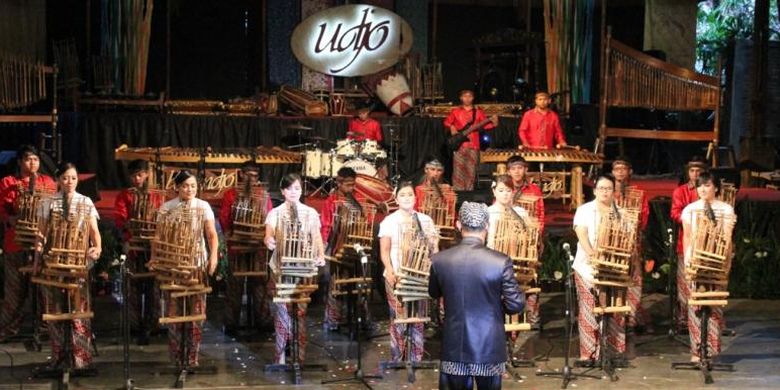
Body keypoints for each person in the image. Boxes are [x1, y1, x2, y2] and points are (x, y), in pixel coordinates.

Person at [429, 201, 524, 390]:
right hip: (488, 346)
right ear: (487, 226)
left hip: (454, 345)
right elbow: (516, 305)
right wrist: (496, 306)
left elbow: (433, 292)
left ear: (458, 225)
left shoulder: (440, 260)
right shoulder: (500, 261)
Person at [34, 162, 101, 369]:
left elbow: (94, 231)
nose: (69, 182)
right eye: (64, 178)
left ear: (77, 179)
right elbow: (41, 234)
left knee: (78, 309)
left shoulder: (85, 201)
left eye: (73, 177)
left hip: (77, 263)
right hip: (53, 263)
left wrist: (97, 248)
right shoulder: (48, 203)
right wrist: (37, 258)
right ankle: (58, 357)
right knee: (55, 311)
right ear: (58, 180)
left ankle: (81, 358)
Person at [158, 170, 219, 367]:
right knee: (175, 312)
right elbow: (158, 238)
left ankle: (193, 358)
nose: (189, 189)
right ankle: (176, 358)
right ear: (177, 187)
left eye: (193, 186)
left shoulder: (203, 206)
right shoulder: (167, 208)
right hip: (173, 266)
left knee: (196, 312)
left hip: (197, 265)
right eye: (185, 186)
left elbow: (211, 235)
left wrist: (213, 256)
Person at [264, 173, 326, 365]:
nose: (293, 192)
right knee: (282, 310)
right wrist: (269, 240)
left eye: (297, 188)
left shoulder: (309, 212)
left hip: (302, 268)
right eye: (289, 188)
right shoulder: (275, 213)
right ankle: (280, 357)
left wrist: (320, 254)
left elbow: (316, 236)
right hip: (281, 268)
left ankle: (299, 357)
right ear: (283, 191)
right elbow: (269, 233)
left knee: (299, 311)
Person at [0, 145, 56, 340]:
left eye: (35, 159)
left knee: (44, 287)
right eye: (27, 159)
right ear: (19, 162)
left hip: (41, 242)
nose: (32, 163)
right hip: (16, 242)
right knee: (14, 290)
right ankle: (8, 328)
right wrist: (10, 217)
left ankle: (45, 327)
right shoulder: (8, 182)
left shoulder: (48, 182)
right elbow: (2, 209)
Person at [378, 181, 438, 363]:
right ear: (396, 199)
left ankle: (416, 357)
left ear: (415, 197)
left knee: (418, 317)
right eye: (402, 195)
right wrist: (389, 270)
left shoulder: (425, 220)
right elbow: (385, 250)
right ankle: (398, 357)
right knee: (399, 314)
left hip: (419, 276)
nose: (407, 198)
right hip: (396, 275)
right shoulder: (389, 221)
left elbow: (433, 249)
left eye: (410, 194)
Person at [680, 172, 735, 362]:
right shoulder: (689, 209)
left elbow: (727, 237)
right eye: (700, 186)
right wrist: (688, 258)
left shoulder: (726, 209)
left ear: (716, 188)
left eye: (708, 185)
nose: (703, 189)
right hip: (695, 260)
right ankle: (697, 350)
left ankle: (711, 348)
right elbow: (687, 236)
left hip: (716, 260)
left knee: (714, 305)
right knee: (695, 305)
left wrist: (724, 261)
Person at [572, 175, 626, 362]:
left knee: (612, 309)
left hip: (612, 269)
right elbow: (581, 233)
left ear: (614, 191)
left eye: (608, 188)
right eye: (601, 188)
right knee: (588, 309)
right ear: (594, 190)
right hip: (587, 267)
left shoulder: (621, 212)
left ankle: (611, 352)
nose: (605, 191)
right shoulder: (585, 210)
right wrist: (593, 254)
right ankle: (587, 353)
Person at [218, 160, 273, 334]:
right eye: (248, 175)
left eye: (255, 176)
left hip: (257, 246)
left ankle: (263, 321)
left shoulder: (263, 194)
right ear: (241, 174)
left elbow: (270, 218)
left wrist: (265, 236)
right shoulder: (231, 194)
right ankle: (231, 323)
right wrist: (230, 235)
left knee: (260, 284)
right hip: (238, 245)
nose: (252, 179)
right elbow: (225, 217)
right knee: (235, 284)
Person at [113, 159, 162, 344]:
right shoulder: (125, 195)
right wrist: (132, 225)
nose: (137, 179)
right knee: (132, 287)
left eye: (140, 175)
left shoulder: (156, 196)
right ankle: (134, 325)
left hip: (152, 247)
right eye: (133, 176)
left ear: (147, 174)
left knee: (153, 288)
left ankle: (152, 324)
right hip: (133, 245)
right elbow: (120, 219)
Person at [319, 167, 367, 330]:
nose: (351, 188)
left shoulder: (359, 199)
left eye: (353, 184)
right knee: (336, 285)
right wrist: (324, 246)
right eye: (347, 185)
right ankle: (334, 321)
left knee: (359, 285)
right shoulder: (331, 201)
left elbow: (364, 222)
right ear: (338, 183)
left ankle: (361, 320)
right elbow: (325, 225)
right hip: (338, 249)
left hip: (356, 248)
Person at [611, 157, 652, 332]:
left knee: (634, 280)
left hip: (632, 242)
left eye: (623, 168)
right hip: (611, 242)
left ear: (630, 172)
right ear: (612, 173)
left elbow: (643, 217)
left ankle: (632, 319)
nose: (620, 172)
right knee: (614, 279)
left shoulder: (638, 193)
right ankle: (616, 317)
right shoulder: (608, 192)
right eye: (616, 169)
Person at [670, 155, 708, 329]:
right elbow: (675, 213)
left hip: (707, 244)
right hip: (686, 242)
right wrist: (693, 219)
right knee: (685, 280)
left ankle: (705, 315)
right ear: (687, 173)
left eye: (698, 170)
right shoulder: (681, 191)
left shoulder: (709, 190)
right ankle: (685, 317)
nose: (695, 173)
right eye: (692, 170)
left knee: (705, 278)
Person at [443, 89, 498, 191]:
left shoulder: (478, 112)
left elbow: (486, 126)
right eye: (465, 96)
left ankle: (469, 193)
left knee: (471, 171)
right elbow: (446, 122)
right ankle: (458, 193)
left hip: (474, 145)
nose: (467, 98)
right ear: (461, 98)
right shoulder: (456, 111)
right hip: (460, 145)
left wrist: (494, 123)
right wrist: (451, 127)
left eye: (470, 96)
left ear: (473, 98)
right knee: (458, 170)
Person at [505, 155, 545, 233]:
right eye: (513, 169)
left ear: (525, 169)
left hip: (530, 229)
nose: (517, 172)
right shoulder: (504, 189)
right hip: (509, 230)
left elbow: (541, 213)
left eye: (520, 168)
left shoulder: (534, 190)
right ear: (508, 172)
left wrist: (539, 231)